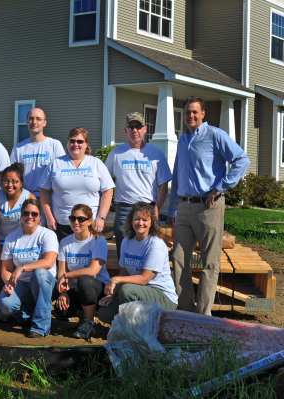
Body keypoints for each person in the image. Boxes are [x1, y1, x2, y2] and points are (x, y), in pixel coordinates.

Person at [167, 96, 250, 316]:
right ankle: (185, 310)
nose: (190, 116)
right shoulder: (183, 140)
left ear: (203, 113)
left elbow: (242, 160)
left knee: (209, 262)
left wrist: (221, 187)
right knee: (178, 257)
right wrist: (173, 208)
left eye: (194, 112)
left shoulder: (216, 135)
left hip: (208, 206)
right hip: (184, 207)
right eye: (187, 112)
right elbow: (177, 177)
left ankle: (203, 315)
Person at [105, 112, 172, 259]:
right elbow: (104, 183)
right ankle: (125, 281)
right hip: (124, 210)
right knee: (124, 253)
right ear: (126, 130)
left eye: (138, 126)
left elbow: (163, 184)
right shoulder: (116, 154)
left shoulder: (156, 154)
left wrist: (157, 209)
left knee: (148, 252)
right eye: (131, 127)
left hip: (148, 209)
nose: (134, 130)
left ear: (145, 129)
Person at [97, 202, 178, 324]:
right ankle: (133, 324)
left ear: (152, 222)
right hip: (138, 292)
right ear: (131, 221)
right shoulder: (126, 241)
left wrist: (115, 280)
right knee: (105, 314)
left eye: (145, 220)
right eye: (137, 219)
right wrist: (112, 296)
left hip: (162, 296)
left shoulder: (155, 244)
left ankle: (138, 327)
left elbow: (144, 279)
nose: (140, 223)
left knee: (127, 290)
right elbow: (123, 273)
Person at [39, 127, 114, 242]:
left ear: (86, 144)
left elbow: (108, 190)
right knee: (62, 259)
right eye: (72, 141)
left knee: (87, 258)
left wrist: (101, 217)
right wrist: (49, 217)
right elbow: (44, 190)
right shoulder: (56, 164)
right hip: (61, 224)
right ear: (67, 142)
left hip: (89, 224)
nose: (75, 144)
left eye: (80, 141)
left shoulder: (96, 163)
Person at [0, 199, 59, 338]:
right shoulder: (11, 238)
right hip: (22, 284)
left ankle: (40, 327)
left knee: (41, 273)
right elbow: (6, 268)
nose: (29, 216)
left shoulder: (47, 234)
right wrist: (8, 282)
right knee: (5, 304)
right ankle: (28, 316)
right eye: (26, 213)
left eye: (34, 214)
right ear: (21, 215)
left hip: (45, 284)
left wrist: (22, 268)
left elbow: (49, 262)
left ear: (39, 217)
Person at [55, 204, 110, 339]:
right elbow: (62, 272)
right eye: (72, 218)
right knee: (61, 310)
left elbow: (92, 271)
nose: (76, 222)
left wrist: (67, 275)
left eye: (81, 219)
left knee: (84, 279)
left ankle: (89, 323)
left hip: (100, 291)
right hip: (78, 290)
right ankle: (82, 318)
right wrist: (64, 293)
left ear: (90, 221)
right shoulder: (64, 242)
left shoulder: (99, 241)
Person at [0, 163, 35, 282]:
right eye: (5, 181)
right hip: (2, 240)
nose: (10, 185)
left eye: (14, 181)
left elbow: (36, 225)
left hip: (23, 241)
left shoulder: (28, 197)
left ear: (21, 182)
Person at [9, 108, 65, 201]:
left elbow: (61, 172)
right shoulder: (18, 148)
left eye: (38, 119)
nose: (34, 122)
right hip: (25, 198)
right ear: (27, 122)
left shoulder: (55, 145)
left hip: (49, 198)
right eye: (31, 119)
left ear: (44, 123)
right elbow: (12, 175)